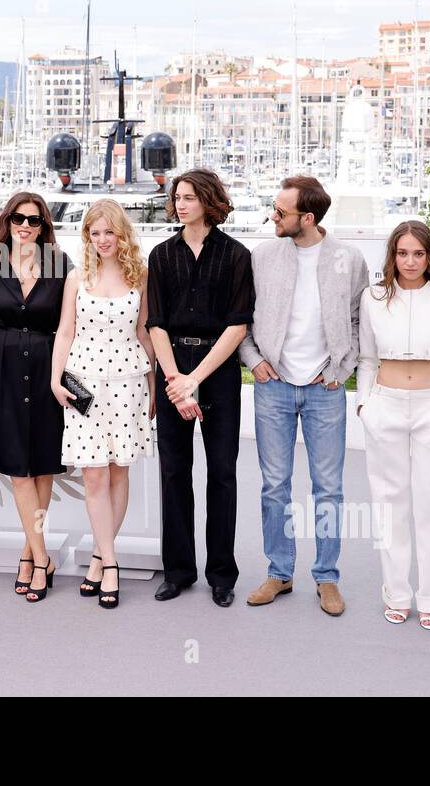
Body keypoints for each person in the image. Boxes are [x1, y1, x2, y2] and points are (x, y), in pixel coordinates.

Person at [239, 175, 368, 616]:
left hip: (324, 389)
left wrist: (341, 369)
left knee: (328, 489)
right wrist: (254, 360)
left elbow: (357, 321)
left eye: (280, 211)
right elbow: (242, 318)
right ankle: (279, 572)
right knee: (274, 486)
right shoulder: (262, 256)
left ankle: (327, 578)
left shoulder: (349, 260)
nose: (272, 216)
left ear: (307, 218)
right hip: (272, 386)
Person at [356, 220, 430, 631]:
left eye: (418, 253)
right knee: (390, 505)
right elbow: (366, 359)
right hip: (384, 406)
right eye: (402, 253)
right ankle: (397, 593)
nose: (410, 261)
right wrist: (365, 405)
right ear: (392, 255)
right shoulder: (372, 298)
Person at [146, 169, 253, 608]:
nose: (181, 204)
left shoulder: (236, 255)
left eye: (189, 197)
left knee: (222, 475)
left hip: (217, 371)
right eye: (178, 197)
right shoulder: (161, 254)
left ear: (209, 201)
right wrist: (175, 380)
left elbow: (238, 324)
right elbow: (155, 323)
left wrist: (195, 380)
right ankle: (178, 571)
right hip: (173, 368)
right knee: (173, 473)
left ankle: (221, 575)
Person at [51, 199, 156, 610]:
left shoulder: (140, 277)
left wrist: (153, 385)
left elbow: (146, 332)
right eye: (94, 233)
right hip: (86, 385)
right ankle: (111, 562)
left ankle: (99, 556)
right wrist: (56, 379)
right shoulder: (78, 277)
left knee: (117, 472)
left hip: (129, 383)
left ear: (121, 234)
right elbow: (64, 332)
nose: (102, 240)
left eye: (109, 232)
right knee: (93, 476)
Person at [0, 192, 72, 601]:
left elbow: (69, 324)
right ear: (8, 221)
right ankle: (40, 556)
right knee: (19, 467)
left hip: (48, 367)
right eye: (18, 218)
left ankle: (29, 554)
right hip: (4, 366)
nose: (25, 226)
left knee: (43, 465)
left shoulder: (59, 264)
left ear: (44, 225)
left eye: (34, 220)